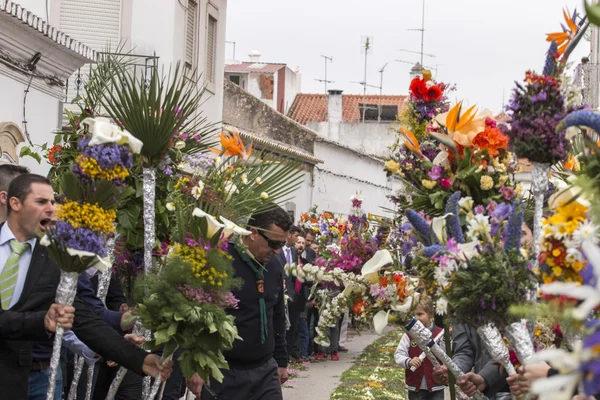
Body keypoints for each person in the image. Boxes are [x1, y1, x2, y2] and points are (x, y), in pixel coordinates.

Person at [0, 174, 172, 398]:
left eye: (52, 202)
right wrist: (40, 321)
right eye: (41, 202)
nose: (51, 209)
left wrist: (139, 359)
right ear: (15, 203)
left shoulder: (52, 258)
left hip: (21, 382)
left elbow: (82, 318)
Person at [187, 205, 291, 400]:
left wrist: (282, 360)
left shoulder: (275, 265)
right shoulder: (222, 260)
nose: (277, 251)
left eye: (281, 245)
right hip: (225, 372)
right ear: (253, 233)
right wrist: (196, 366)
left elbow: (277, 313)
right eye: (273, 244)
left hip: (266, 370)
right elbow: (197, 317)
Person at [395, 296, 445, 400]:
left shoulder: (440, 334)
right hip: (415, 389)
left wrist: (446, 339)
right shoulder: (409, 335)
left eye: (420, 314)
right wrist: (409, 361)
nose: (416, 318)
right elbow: (399, 354)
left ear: (430, 314)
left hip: (436, 387)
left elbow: (447, 355)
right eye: (413, 315)